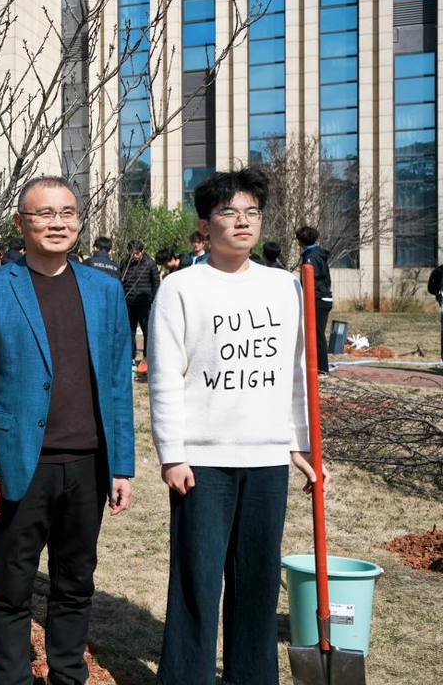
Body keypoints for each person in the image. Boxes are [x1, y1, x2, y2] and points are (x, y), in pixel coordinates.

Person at [148, 166, 331, 685]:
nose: (243, 221)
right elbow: (165, 376)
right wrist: (172, 454)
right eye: (229, 212)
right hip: (203, 461)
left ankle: (251, 677)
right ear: (205, 225)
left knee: (257, 582)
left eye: (252, 212)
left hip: (266, 458)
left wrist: (302, 446)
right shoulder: (181, 288)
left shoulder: (284, 287)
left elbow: (297, 373)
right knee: (197, 580)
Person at [0, 175, 134, 685]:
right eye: (45, 214)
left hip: (88, 464)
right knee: (12, 588)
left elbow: (118, 384)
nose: (58, 223)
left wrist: (122, 465)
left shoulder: (105, 290)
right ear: (21, 222)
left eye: (67, 213)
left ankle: (67, 675)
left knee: (75, 583)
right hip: (21, 465)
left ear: (79, 221)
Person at [297, 225, 333, 376]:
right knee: (316, 333)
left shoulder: (311, 256)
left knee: (317, 335)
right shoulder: (317, 253)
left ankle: (321, 369)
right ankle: (316, 367)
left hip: (318, 299)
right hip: (323, 298)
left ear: (300, 240)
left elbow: (312, 278)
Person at [120, 240, 161, 363]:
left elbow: (156, 283)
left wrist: (153, 299)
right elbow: (121, 280)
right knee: (130, 331)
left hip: (144, 303)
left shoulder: (150, 263)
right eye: (132, 253)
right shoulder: (125, 263)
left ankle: (147, 357)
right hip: (129, 302)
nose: (134, 256)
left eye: (137, 253)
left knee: (147, 330)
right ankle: (131, 357)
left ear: (142, 251)